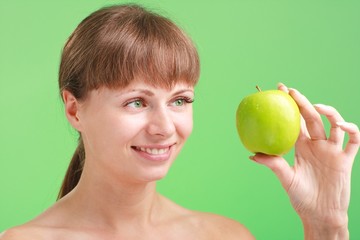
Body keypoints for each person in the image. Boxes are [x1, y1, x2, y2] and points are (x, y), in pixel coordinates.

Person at [1, 4, 359, 240]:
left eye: (180, 101)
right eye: (137, 102)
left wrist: (325, 224)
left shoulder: (226, 236)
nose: (164, 127)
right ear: (74, 110)